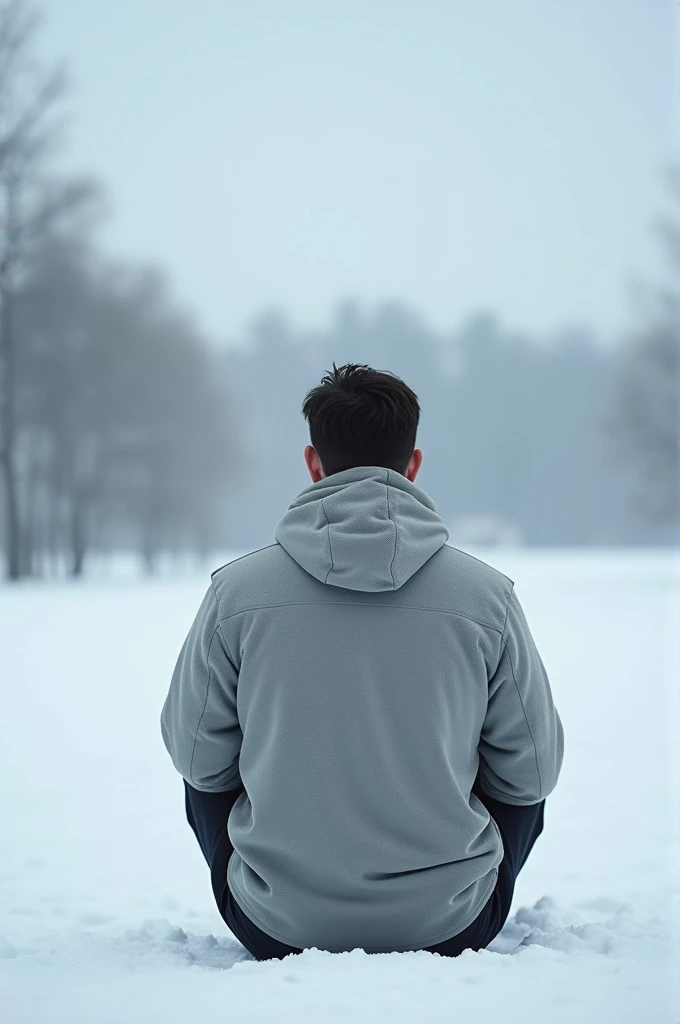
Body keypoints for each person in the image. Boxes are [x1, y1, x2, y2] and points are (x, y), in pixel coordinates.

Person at [161, 362, 564, 960]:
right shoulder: (486, 598)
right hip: (453, 923)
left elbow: (198, 760)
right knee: (516, 756)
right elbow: (533, 773)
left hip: (274, 923)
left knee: (203, 763)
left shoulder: (237, 593)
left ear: (313, 463)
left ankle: (289, 887)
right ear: (414, 465)